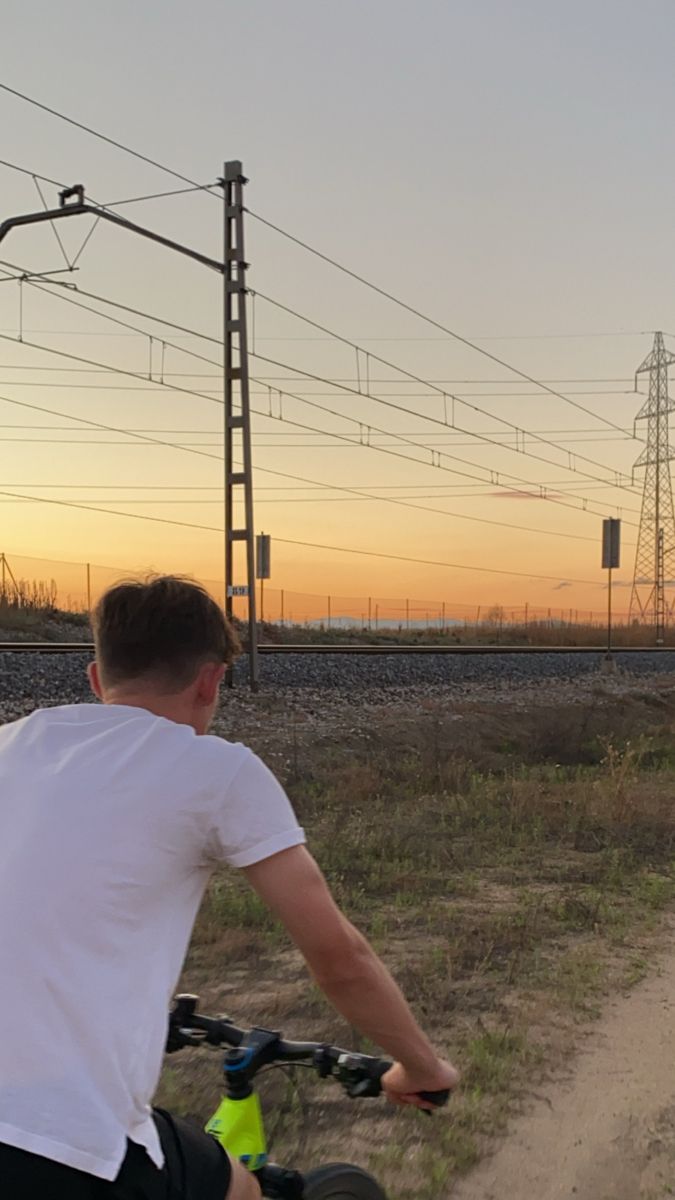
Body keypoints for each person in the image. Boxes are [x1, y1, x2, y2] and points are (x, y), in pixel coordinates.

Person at [0, 576, 459, 1200]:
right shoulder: (214, 768)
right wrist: (421, 1067)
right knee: (240, 1189)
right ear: (212, 681)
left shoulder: (9, 743)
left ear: (95, 678)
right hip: (55, 1138)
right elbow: (339, 957)